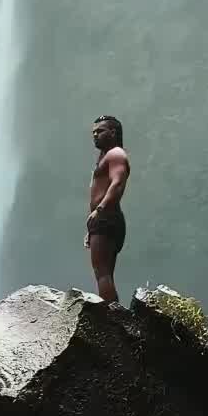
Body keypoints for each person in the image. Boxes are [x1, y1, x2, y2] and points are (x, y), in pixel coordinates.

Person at [86, 114, 130, 305]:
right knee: (105, 273)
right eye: (93, 132)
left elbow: (118, 183)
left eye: (100, 131)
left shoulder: (116, 154)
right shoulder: (105, 156)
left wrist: (100, 210)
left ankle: (113, 317)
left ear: (113, 132)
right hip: (103, 220)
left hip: (107, 217)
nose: (95, 135)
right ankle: (113, 313)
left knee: (102, 272)